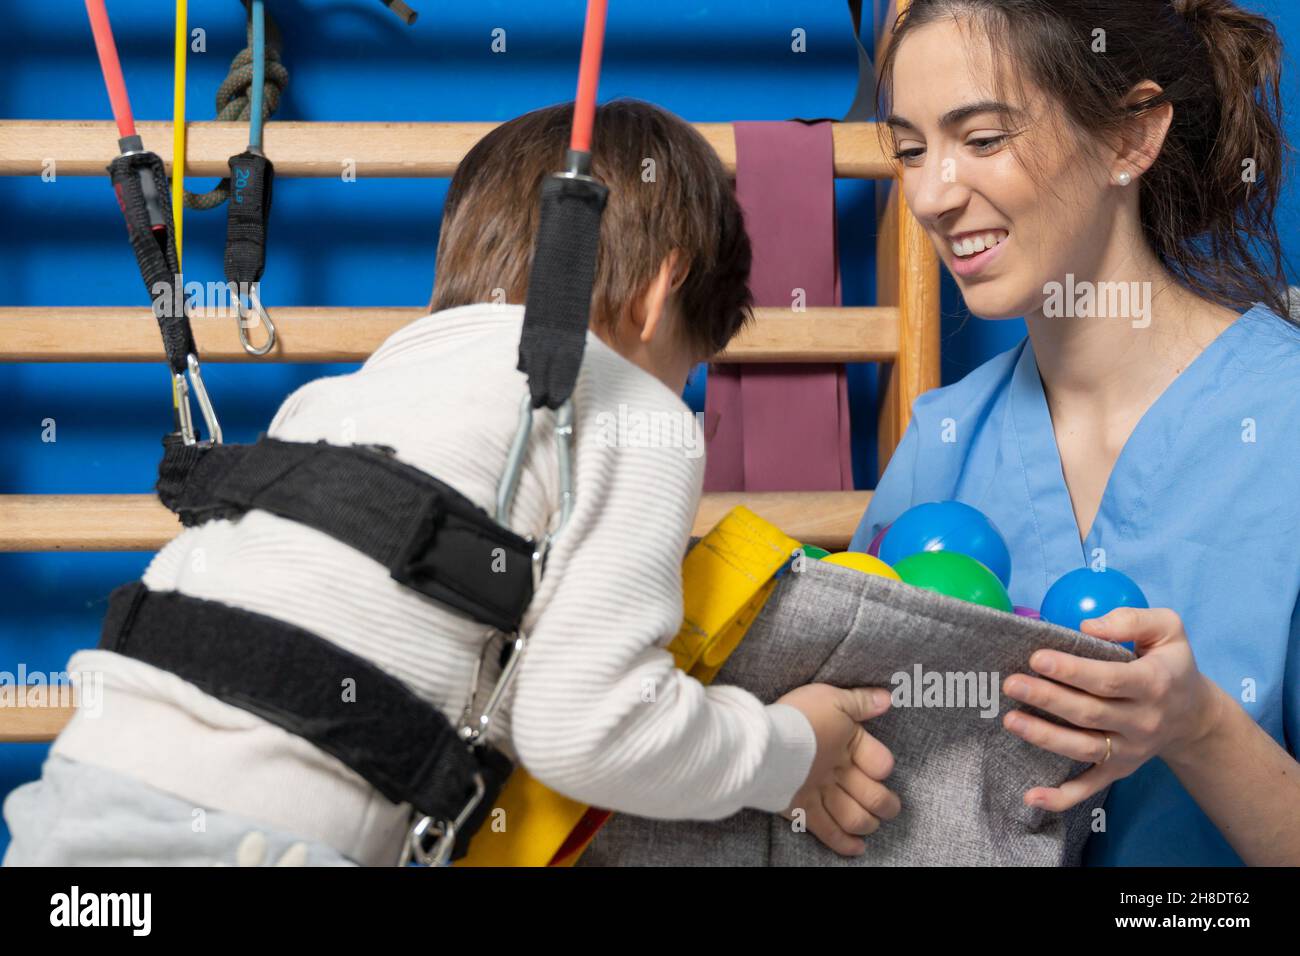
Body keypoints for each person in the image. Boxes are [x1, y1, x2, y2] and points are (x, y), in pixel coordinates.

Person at [3, 99, 900, 866]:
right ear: (660, 296)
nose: (677, 396)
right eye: (686, 370)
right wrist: (792, 751)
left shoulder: (329, 401)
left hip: (71, 807)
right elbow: (588, 729)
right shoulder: (632, 406)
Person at [852, 0, 1300, 865]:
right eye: (910, 150)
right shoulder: (939, 446)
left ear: (1130, 138)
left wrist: (1200, 728)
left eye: (982, 139)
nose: (931, 194)